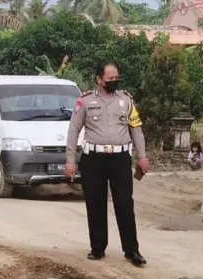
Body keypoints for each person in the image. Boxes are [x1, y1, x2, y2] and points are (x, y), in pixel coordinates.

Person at [64, 61, 149, 266]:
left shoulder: (126, 100)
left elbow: (135, 128)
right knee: (95, 204)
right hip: (93, 159)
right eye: (109, 78)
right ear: (99, 80)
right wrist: (70, 160)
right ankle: (98, 247)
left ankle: (131, 251)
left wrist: (142, 156)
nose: (113, 81)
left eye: (116, 78)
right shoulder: (85, 101)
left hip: (120, 159)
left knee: (125, 205)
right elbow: (73, 130)